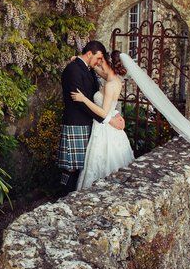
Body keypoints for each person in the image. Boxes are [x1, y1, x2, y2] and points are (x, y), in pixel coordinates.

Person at [57, 41, 125, 195]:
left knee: (83, 166)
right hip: (77, 123)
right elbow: (80, 102)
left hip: (90, 123)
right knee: (72, 167)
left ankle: (74, 196)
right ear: (89, 54)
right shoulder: (73, 69)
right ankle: (63, 197)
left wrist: (114, 114)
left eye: (102, 60)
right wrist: (108, 119)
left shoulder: (88, 69)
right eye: (98, 58)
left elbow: (100, 101)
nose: (99, 62)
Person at [70, 50, 135, 189]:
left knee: (102, 163)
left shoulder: (110, 85)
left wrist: (84, 99)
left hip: (104, 128)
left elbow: (104, 113)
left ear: (108, 63)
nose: (99, 62)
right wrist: (80, 59)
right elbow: (99, 71)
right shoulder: (113, 79)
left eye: (102, 60)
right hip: (111, 126)